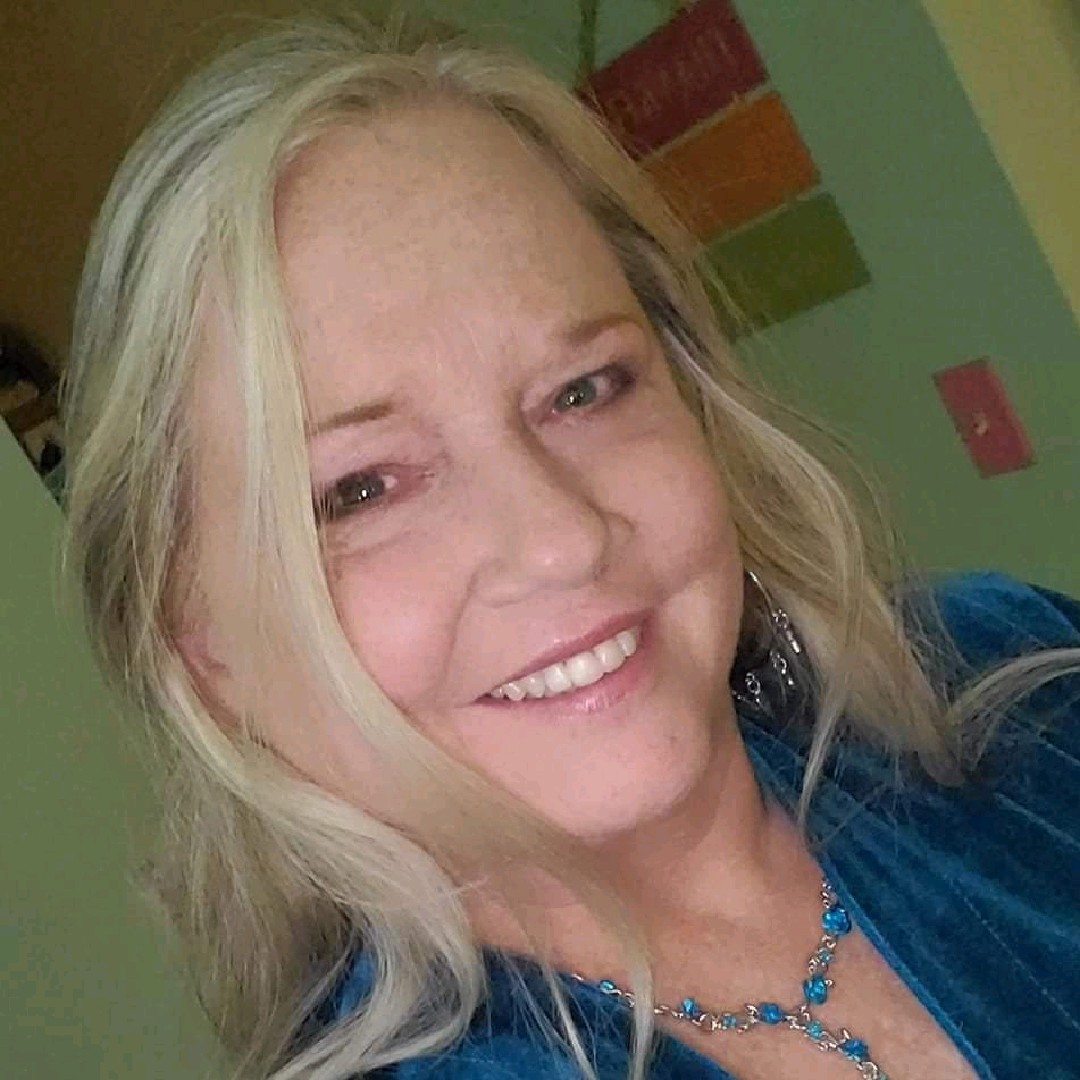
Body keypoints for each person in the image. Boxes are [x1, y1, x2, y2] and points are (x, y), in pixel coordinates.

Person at [60, 14, 1080, 1080]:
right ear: (206, 646)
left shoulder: (1022, 675)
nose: (561, 539)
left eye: (584, 390)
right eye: (360, 488)